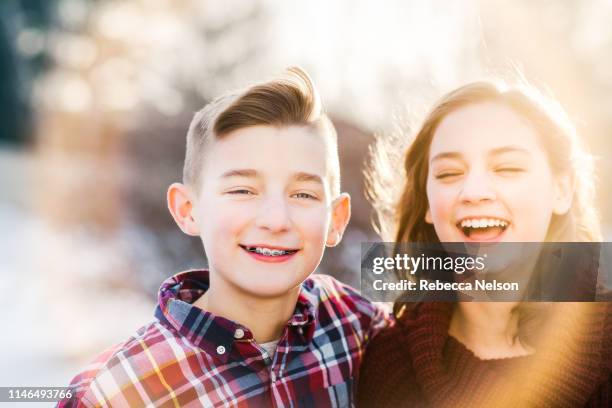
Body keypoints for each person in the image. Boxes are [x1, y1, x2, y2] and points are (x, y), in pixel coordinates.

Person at [59, 67, 389, 407]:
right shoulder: (110, 395)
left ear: (336, 219)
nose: (276, 220)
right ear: (188, 209)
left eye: (303, 194)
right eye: (243, 190)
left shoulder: (355, 322)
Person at [357, 80, 612, 407]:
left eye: (507, 168)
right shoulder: (387, 364)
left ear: (561, 190)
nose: (474, 191)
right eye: (449, 174)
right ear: (426, 205)